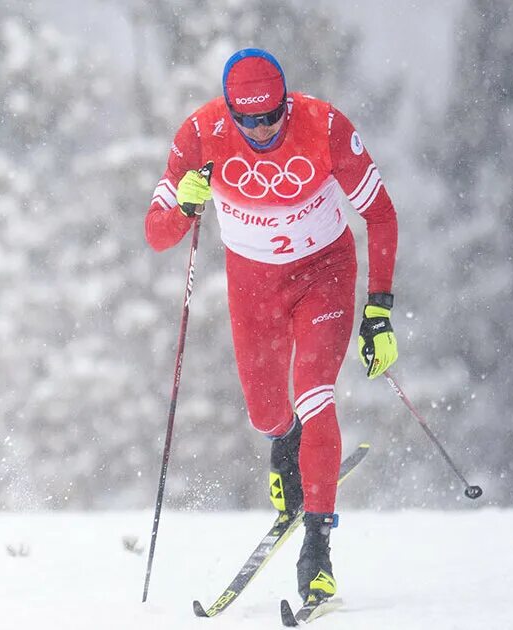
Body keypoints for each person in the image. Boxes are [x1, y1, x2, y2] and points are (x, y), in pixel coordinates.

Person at [144, 48, 399, 605]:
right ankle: (288, 448)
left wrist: (378, 308)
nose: (262, 129)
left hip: (323, 274)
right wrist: (185, 208)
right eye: (248, 119)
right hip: (253, 286)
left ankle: (318, 549)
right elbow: (156, 233)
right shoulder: (199, 134)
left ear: (287, 100)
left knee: (315, 394)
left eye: (271, 115)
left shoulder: (326, 126)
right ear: (230, 112)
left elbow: (379, 212)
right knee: (266, 412)